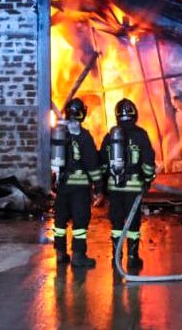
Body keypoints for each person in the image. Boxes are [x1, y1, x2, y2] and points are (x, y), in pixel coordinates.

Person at [99, 98, 156, 269]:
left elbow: (102, 163)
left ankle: (116, 257)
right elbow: (148, 163)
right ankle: (132, 257)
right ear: (134, 114)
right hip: (134, 187)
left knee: (116, 222)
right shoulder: (141, 135)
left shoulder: (110, 136)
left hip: (114, 187)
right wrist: (147, 180)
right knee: (133, 224)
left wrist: (102, 187)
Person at [51, 97, 103, 268]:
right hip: (80, 188)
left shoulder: (58, 133)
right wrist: (99, 187)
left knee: (60, 221)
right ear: (83, 114)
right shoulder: (85, 136)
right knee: (80, 222)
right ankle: (78, 255)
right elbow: (92, 164)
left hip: (62, 187)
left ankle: (60, 253)